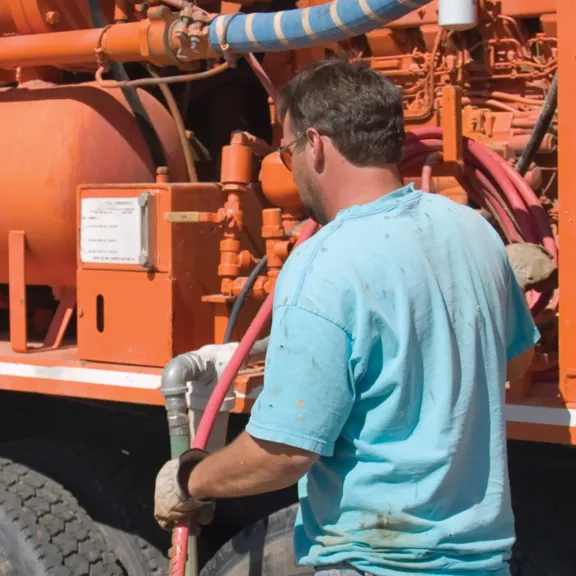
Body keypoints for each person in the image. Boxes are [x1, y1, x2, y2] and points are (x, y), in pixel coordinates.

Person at [154, 60, 540, 576]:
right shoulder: (472, 231)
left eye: (287, 150)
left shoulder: (324, 264)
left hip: (376, 562)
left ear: (315, 144)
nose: (290, 166)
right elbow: (515, 367)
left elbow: (285, 452)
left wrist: (189, 480)